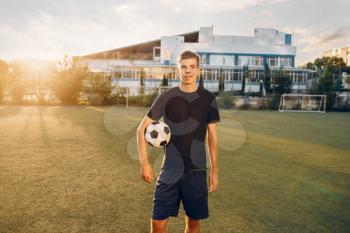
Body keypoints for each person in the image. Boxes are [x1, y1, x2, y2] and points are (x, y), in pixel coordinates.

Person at [136, 50, 220, 233]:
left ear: (199, 70)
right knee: (157, 224)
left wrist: (214, 170)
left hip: (196, 172)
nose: (188, 71)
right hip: (170, 171)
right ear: (178, 70)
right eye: (183, 67)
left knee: (193, 224)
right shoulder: (167, 97)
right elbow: (141, 129)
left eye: (192, 67)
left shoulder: (208, 99)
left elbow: (212, 137)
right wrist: (144, 163)